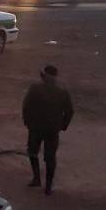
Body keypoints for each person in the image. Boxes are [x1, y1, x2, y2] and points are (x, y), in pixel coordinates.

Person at [22, 65, 74, 195]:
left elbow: (26, 107)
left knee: (32, 152)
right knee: (50, 158)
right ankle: (48, 187)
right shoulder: (62, 93)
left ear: (44, 76)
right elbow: (69, 112)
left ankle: (36, 178)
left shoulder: (35, 89)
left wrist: (27, 122)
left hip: (36, 127)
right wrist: (62, 126)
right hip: (52, 130)